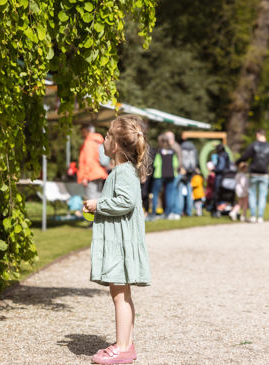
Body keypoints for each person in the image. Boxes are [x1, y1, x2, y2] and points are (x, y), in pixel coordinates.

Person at [82, 115, 151, 364]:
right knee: (122, 294)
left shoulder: (123, 172)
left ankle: (123, 347)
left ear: (118, 146)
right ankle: (126, 344)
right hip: (119, 242)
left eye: (109, 135)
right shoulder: (122, 170)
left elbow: (125, 202)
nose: (104, 139)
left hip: (120, 245)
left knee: (119, 295)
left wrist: (98, 204)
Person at [236, 129, 269, 223]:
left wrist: (237, 162)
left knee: (252, 195)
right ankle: (260, 217)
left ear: (257, 135)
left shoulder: (253, 145)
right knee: (263, 196)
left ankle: (253, 216)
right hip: (264, 174)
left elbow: (245, 157)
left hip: (254, 173)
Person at [151, 134, 179, 219]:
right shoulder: (173, 151)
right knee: (170, 194)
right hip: (171, 175)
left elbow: (156, 164)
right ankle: (168, 213)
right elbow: (176, 164)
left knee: (155, 193)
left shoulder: (158, 151)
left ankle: (154, 213)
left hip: (159, 175)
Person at [78, 124, 109, 200]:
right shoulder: (98, 141)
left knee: (91, 201)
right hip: (100, 173)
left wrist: (85, 177)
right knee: (98, 199)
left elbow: (89, 161)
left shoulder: (89, 142)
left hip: (91, 176)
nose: (82, 134)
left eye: (82, 132)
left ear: (86, 131)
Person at [179, 139, 198, 216]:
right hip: (190, 172)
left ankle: (180, 211)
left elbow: (180, 160)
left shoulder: (182, 148)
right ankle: (189, 211)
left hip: (183, 171)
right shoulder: (193, 149)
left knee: (180, 192)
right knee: (190, 192)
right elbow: (196, 160)